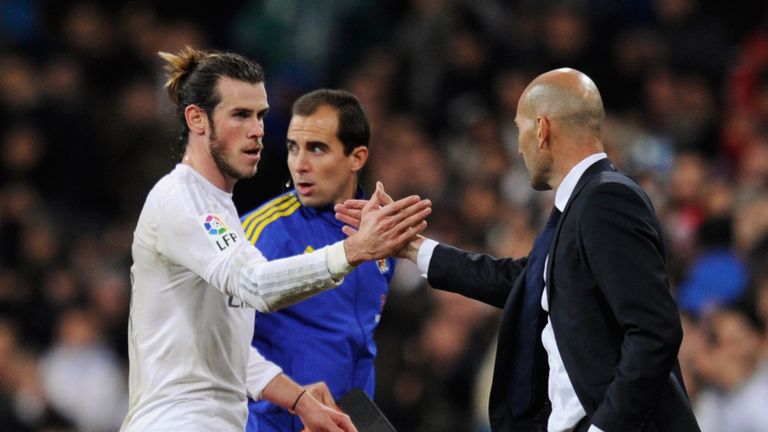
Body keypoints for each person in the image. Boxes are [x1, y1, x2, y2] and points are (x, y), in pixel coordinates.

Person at [336, 68, 700, 431]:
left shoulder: (606, 198)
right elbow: (523, 282)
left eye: (519, 130)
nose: (519, 146)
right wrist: (412, 247)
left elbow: (654, 331)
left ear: (541, 129)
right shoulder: (579, 204)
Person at [120, 47, 432, 432]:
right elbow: (258, 285)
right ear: (197, 119)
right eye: (240, 115)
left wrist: (298, 399)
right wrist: (352, 251)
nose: (257, 130)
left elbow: (225, 349)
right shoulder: (182, 200)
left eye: (260, 115)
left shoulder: (220, 211)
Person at [239, 89, 394, 432]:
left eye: (316, 149)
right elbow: (216, 340)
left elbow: (357, 340)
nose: (299, 165)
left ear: (357, 158)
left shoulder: (380, 232)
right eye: (293, 148)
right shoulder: (261, 234)